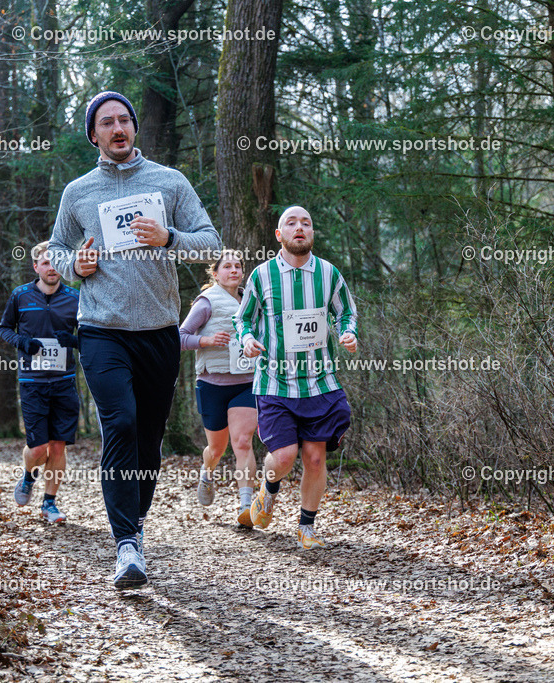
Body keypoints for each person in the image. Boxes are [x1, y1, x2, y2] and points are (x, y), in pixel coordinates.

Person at [47, 91, 221, 588]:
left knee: (147, 440)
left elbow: (209, 242)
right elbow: (55, 248)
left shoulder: (169, 182)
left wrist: (168, 238)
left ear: (134, 128)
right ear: (94, 134)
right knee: (119, 423)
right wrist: (72, 266)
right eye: (107, 122)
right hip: (102, 330)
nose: (118, 128)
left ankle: (135, 525)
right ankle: (125, 544)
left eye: (125, 120)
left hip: (160, 332)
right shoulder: (78, 192)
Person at [237, 206, 358, 549]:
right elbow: (243, 319)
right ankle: (268, 488)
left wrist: (347, 333)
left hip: (319, 381)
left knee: (316, 457)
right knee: (286, 456)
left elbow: (346, 312)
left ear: (312, 233)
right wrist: (247, 340)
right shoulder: (262, 276)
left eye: (306, 222)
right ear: (279, 235)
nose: (299, 227)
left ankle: (307, 527)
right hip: (275, 381)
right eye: (291, 223)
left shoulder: (329, 273)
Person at [0, 241, 81, 524]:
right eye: (45, 263)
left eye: (56, 262)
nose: (51, 267)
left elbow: (92, 335)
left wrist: (75, 341)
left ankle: (49, 503)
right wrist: (22, 341)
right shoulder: (20, 295)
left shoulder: (75, 298)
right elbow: (4, 329)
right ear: (36, 267)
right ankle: (28, 476)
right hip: (32, 381)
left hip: (64, 382)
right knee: (37, 449)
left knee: (58, 447)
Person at [178, 249, 258, 526]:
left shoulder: (251, 299)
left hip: (246, 383)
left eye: (238, 266)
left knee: (243, 442)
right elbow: (180, 337)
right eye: (227, 266)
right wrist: (207, 340)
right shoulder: (206, 301)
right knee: (217, 448)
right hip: (212, 383)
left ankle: (246, 507)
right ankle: (206, 471)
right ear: (215, 273)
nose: (233, 270)